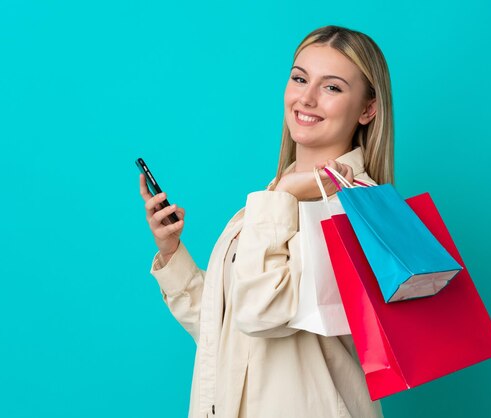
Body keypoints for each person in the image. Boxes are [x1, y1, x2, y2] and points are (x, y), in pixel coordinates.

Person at [139, 25, 394, 418]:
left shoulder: (353, 208)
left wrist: (281, 198)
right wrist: (172, 252)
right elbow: (227, 333)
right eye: (299, 78)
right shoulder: (280, 191)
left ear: (367, 109)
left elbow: (260, 314)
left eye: (332, 87)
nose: (306, 98)